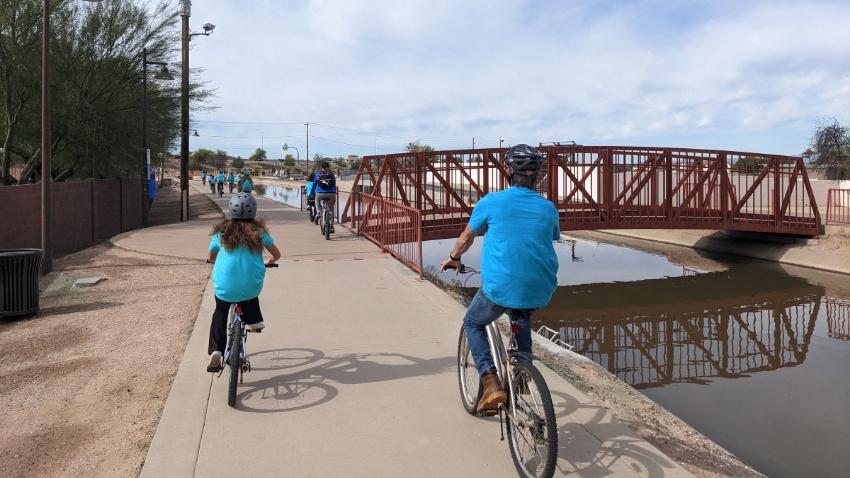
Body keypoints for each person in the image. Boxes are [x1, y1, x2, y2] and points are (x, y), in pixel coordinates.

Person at [440, 144, 560, 412]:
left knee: (472, 322)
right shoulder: (548, 207)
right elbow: (547, 239)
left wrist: (454, 257)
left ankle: (489, 380)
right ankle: (522, 374)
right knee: (520, 317)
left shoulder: (491, 202)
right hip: (540, 286)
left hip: (500, 286)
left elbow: (465, 239)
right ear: (537, 176)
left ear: (507, 170)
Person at [206, 192, 281, 371]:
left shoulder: (221, 232)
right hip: (250, 287)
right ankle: (253, 320)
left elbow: (210, 257)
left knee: (220, 310)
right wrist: (269, 262)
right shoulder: (259, 232)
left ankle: (216, 351)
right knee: (249, 292)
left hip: (225, 287)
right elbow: (276, 255)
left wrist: (213, 261)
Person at [312, 162, 337, 232]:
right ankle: (331, 226)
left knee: (316, 199)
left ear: (321, 167)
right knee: (331, 209)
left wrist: (311, 193)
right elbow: (334, 185)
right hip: (331, 193)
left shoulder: (318, 175)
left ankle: (319, 211)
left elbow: (314, 185)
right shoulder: (332, 175)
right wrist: (334, 192)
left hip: (320, 193)